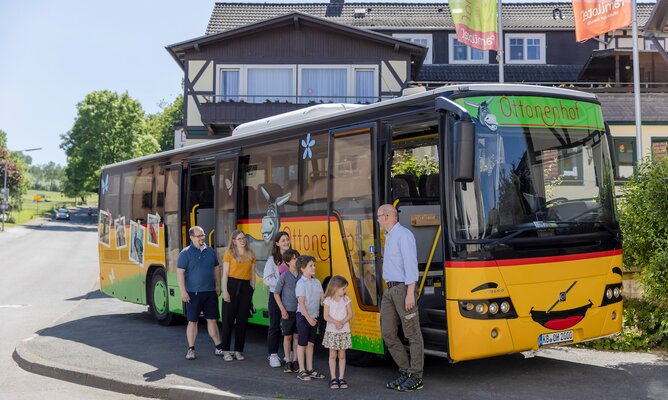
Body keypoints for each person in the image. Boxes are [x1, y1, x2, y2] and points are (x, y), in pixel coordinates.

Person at [377, 204, 424, 392]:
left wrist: (411, 293)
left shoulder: (404, 235)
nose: (378, 219)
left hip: (404, 289)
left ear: (388, 216)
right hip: (390, 289)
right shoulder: (389, 237)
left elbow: (411, 265)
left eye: (379, 216)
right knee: (387, 332)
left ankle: (416, 375)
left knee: (412, 333)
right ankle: (406, 371)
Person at [176, 226, 224, 360]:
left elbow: (216, 268)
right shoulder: (185, 253)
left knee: (212, 320)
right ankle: (191, 349)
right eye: (199, 236)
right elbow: (180, 272)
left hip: (210, 292)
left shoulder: (210, 251)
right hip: (192, 293)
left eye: (203, 235)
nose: (202, 238)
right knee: (193, 321)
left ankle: (218, 347)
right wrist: (183, 291)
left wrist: (218, 285)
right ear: (191, 238)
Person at [221, 229, 256, 361]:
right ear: (234, 241)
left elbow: (253, 274)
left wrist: (252, 289)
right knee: (228, 321)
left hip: (245, 288)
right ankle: (225, 350)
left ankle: (238, 350)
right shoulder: (229, 253)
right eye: (239, 239)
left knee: (242, 321)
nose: (242, 241)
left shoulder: (251, 254)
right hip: (231, 285)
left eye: (243, 238)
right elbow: (224, 274)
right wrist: (225, 291)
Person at [263, 231, 291, 368]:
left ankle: (289, 354)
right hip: (276, 296)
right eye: (283, 240)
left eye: (287, 239)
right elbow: (267, 279)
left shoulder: (293, 258)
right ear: (277, 243)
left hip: (290, 298)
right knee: (274, 326)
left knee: (290, 326)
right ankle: (273, 354)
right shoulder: (272, 260)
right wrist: (281, 282)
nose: (286, 242)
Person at [294, 255, 325, 381]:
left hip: (314, 316)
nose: (314, 267)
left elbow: (322, 299)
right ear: (302, 268)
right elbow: (301, 303)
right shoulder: (300, 283)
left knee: (311, 343)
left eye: (314, 265)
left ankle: (310, 369)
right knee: (302, 343)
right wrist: (308, 318)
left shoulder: (316, 282)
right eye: (310, 266)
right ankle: (302, 370)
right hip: (303, 317)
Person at [322, 275, 353, 390]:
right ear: (335, 287)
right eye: (343, 288)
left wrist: (342, 322)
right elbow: (326, 316)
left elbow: (350, 314)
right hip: (332, 331)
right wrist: (336, 322)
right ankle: (333, 378)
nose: (345, 291)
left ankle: (341, 377)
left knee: (342, 355)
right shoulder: (328, 300)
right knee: (333, 355)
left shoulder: (346, 299)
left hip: (344, 331)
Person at [274, 248, 301, 373]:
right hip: (287, 312)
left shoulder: (302, 275)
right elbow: (276, 294)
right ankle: (288, 361)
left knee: (297, 336)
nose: (296, 260)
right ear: (288, 262)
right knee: (287, 337)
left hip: (299, 311)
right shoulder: (284, 276)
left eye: (297, 258)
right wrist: (282, 310)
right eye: (294, 258)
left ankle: (296, 361)